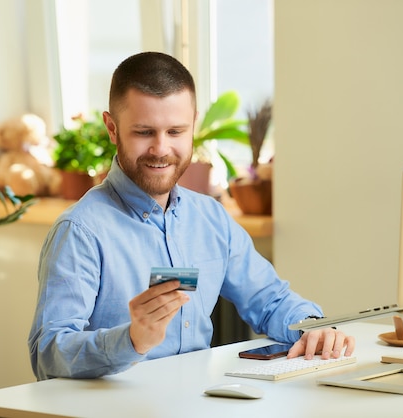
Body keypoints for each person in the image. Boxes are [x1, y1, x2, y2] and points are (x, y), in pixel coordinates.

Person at [28, 51, 355, 380]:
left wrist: (313, 329)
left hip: (199, 403)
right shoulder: (80, 231)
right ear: (112, 129)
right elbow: (48, 353)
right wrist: (130, 340)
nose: (160, 149)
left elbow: (270, 300)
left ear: (193, 126)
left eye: (175, 132)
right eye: (144, 132)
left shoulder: (210, 219)